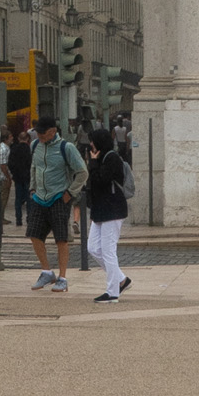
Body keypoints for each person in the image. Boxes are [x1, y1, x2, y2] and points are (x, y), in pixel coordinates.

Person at [25, 111, 86, 294]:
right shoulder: (35, 145)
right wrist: (32, 188)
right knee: (34, 234)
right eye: (38, 133)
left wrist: (69, 193)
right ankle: (46, 271)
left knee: (61, 239)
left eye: (42, 134)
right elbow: (35, 166)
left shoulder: (66, 148)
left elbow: (82, 172)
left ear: (52, 131)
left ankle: (63, 277)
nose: (40, 137)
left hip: (59, 197)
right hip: (39, 197)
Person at [84, 125, 132, 305]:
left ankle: (113, 292)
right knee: (93, 248)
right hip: (101, 210)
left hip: (113, 210)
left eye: (92, 141)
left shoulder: (111, 159)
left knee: (108, 250)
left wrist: (94, 163)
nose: (90, 145)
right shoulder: (101, 158)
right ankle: (121, 279)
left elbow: (100, 181)